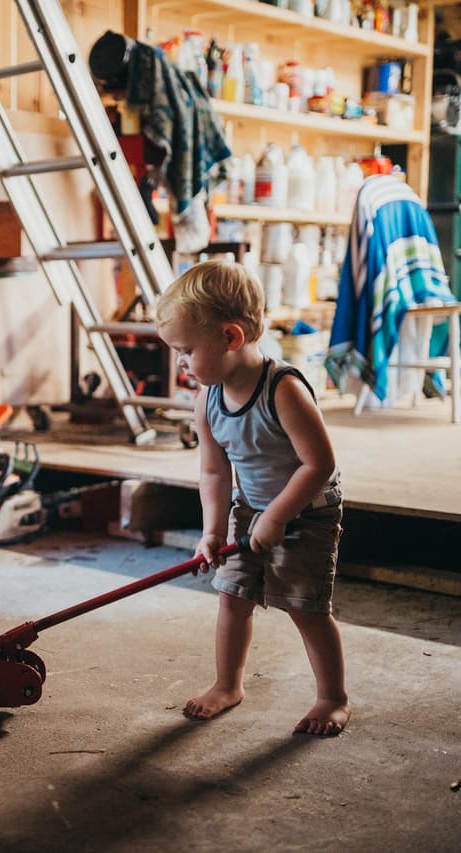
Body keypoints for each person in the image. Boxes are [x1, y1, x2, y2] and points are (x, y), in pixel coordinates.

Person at [155, 261, 349, 736]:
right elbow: (214, 470)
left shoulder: (282, 389)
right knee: (232, 596)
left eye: (186, 350)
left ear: (231, 337)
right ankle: (228, 685)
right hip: (251, 509)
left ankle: (332, 698)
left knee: (305, 606)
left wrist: (278, 515)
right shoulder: (209, 398)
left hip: (307, 512)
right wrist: (213, 532)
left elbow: (318, 465)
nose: (181, 362)